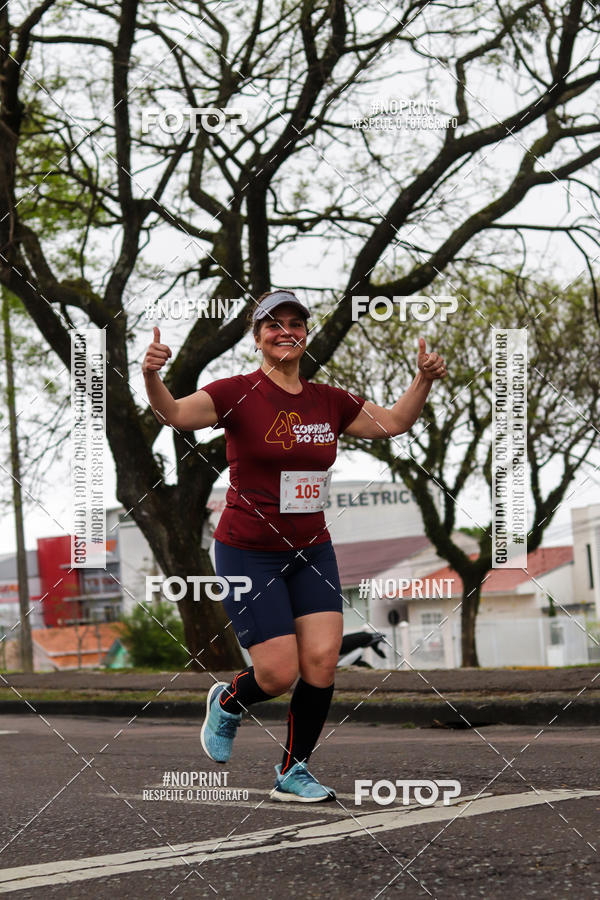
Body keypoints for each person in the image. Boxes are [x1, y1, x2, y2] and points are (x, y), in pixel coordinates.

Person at [142, 289, 447, 802]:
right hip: (247, 550)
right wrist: (152, 376)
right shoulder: (236, 392)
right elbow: (173, 414)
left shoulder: (329, 400)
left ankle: (293, 771)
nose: (286, 332)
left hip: (311, 549)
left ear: (306, 333)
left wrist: (422, 380)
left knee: (323, 660)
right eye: (273, 324)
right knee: (278, 673)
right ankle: (228, 702)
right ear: (257, 337)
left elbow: (394, 422)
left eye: (295, 323)